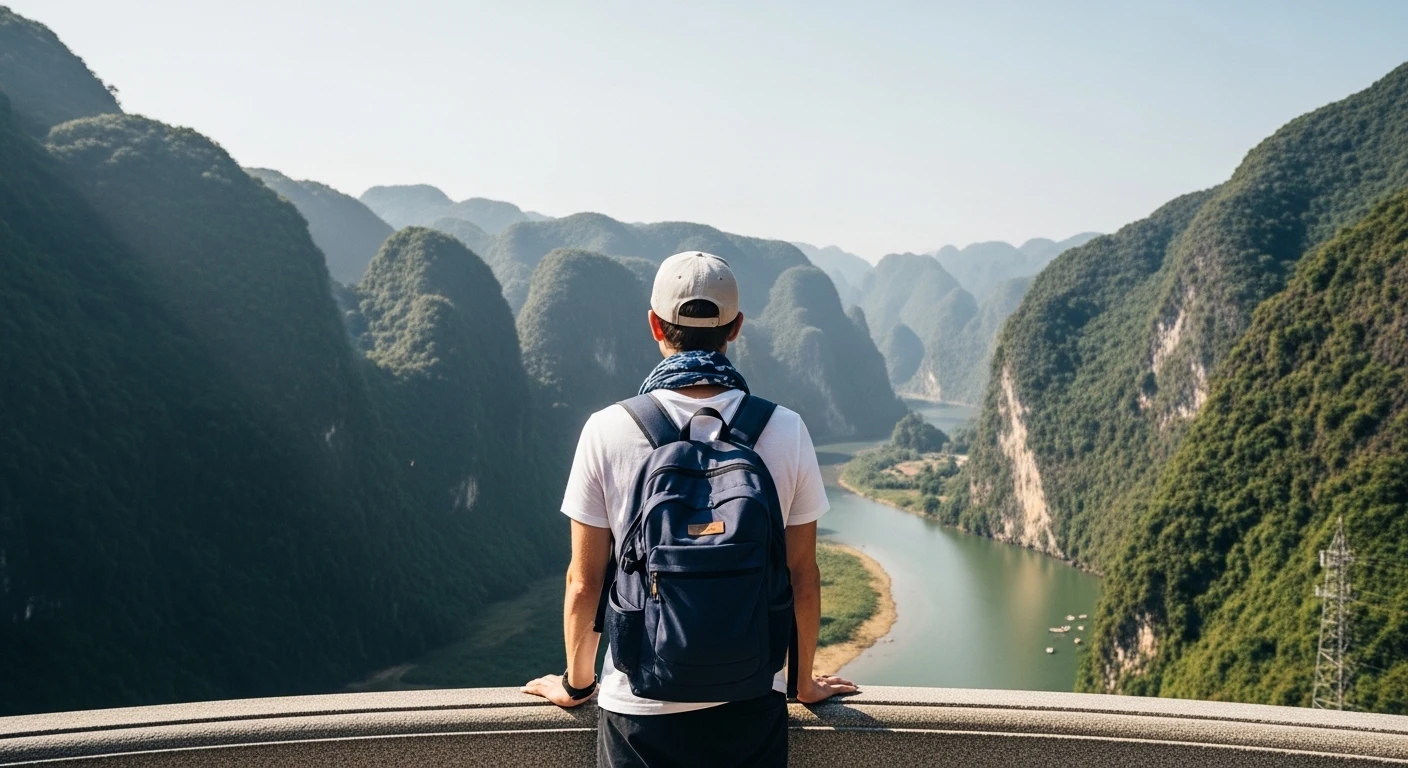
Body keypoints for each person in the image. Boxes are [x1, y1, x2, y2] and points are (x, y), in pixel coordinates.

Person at [523, 251, 857, 767]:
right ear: (737, 328)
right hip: (750, 702)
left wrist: (576, 682)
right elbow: (802, 576)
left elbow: (585, 583)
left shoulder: (607, 429)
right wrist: (803, 682)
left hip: (637, 710)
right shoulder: (785, 429)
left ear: (655, 324)